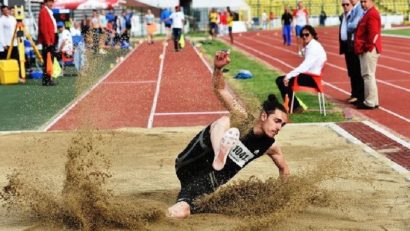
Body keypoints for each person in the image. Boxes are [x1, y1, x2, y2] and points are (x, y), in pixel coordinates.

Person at [167, 50, 290, 218]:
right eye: (277, 121)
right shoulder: (244, 119)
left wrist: (280, 198)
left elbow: (284, 170)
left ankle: (153, 219)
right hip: (191, 162)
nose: (279, 127)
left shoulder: (270, 145)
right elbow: (220, 89)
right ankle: (220, 152)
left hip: (205, 182)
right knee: (225, 121)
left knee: (183, 209)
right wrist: (218, 69)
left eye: (282, 124)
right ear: (263, 116)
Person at [276, 25, 327, 113]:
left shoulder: (314, 47)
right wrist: (303, 44)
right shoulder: (311, 45)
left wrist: (288, 76)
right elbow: (302, 54)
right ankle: (294, 106)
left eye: (307, 34)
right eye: (302, 35)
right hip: (310, 76)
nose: (304, 37)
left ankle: (294, 107)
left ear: (312, 35)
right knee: (281, 80)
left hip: (312, 78)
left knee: (282, 80)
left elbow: (304, 66)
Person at [354, 0, 381, 110]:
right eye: (361, 2)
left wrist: (367, 47)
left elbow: (373, 33)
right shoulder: (369, 13)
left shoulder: (372, 14)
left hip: (369, 50)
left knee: (367, 75)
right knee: (370, 75)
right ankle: (373, 101)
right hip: (368, 48)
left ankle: (369, 102)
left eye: (365, 1)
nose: (362, 4)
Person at [339, 0, 363, 105]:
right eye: (343, 5)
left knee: (356, 71)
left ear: (351, 5)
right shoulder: (342, 16)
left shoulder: (353, 15)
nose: (345, 6)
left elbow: (354, 27)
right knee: (351, 72)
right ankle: (354, 94)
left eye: (347, 4)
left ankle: (358, 95)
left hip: (353, 46)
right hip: (346, 46)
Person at [38, 0, 57, 86]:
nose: (52, 4)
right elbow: (44, 28)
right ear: (46, 2)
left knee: (50, 60)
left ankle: (48, 78)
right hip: (48, 40)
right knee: (47, 60)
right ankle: (47, 80)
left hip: (50, 39)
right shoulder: (44, 11)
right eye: (50, 2)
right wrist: (48, 41)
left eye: (52, 2)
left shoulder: (47, 11)